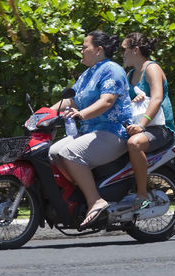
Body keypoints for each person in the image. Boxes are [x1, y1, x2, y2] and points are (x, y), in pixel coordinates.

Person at [49, 30, 132, 229]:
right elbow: (72, 100)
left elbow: (107, 100)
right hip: (90, 133)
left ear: (99, 50)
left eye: (85, 47)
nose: (81, 50)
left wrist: (82, 114)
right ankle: (79, 198)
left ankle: (96, 201)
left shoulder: (112, 69)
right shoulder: (87, 74)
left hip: (113, 132)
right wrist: (43, 114)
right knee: (52, 153)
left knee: (70, 153)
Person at [121, 32, 175, 209]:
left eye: (124, 50)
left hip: (159, 128)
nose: (122, 54)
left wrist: (141, 125)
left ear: (135, 50)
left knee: (135, 144)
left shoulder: (152, 68)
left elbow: (157, 98)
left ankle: (142, 194)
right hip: (140, 127)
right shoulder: (130, 75)